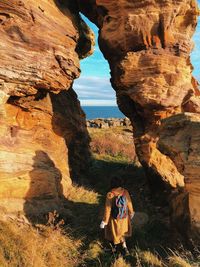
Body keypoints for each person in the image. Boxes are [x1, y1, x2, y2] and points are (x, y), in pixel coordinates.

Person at [100, 176, 135, 255]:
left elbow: (108, 209)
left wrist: (104, 221)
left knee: (112, 232)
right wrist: (131, 212)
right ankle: (125, 248)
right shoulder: (125, 192)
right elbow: (129, 203)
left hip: (114, 218)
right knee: (122, 233)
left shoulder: (110, 194)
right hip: (124, 217)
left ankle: (114, 249)